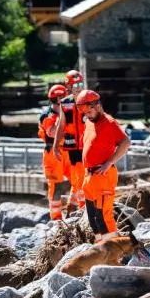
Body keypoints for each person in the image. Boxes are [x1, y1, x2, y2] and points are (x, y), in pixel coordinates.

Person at [77, 89, 130, 241]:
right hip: (89, 176)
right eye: (85, 113)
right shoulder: (89, 121)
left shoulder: (109, 123)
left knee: (104, 217)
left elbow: (126, 142)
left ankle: (114, 251)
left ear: (97, 106)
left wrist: (109, 163)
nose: (87, 115)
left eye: (89, 112)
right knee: (93, 218)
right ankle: (101, 249)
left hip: (103, 175)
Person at [40, 84, 70, 220]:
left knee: (78, 179)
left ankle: (74, 208)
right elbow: (51, 133)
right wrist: (62, 118)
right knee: (56, 185)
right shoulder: (47, 115)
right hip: (52, 152)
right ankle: (56, 218)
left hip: (68, 150)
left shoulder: (70, 111)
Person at [60, 70, 87, 209]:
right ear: (68, 87)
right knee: (77, 177)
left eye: (80, 83)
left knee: (83, 175)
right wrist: (54, 146)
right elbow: (61, 125)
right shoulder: (65, 103)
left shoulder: (89, 100)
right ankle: (74, 204)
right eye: (75, 84)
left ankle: (82, 206)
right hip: (72, 147)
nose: (78, 86)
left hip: (86, 145)